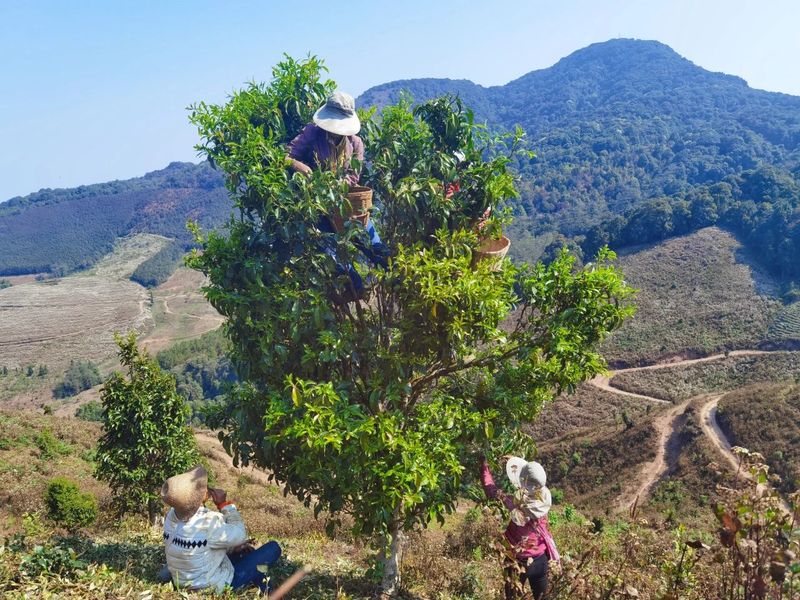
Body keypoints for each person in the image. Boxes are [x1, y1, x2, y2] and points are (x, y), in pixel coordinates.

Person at [287, 91, 389, 296]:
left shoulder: (356, 143)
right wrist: (302, 168)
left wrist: (336, 185)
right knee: (339, 261)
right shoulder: (312, 133)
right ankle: (356, 289)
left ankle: (392, 279)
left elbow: (353, 177)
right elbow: (288, 156)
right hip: (321, 210)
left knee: (377, 248)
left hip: (348, 208)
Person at [160, 466, 281, 593]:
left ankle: (269, 591)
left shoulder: (171, 516)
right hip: (213, 587)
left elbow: (205, 543)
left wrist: (233, 549)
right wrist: (224, 505)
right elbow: (240, 533)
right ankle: (270, 591)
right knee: (273, 548)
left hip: (183, 581)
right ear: (200, 497)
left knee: (245, 553)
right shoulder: (208, 522)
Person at [479, 455, 560, 600]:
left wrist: (484, 466)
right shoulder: (543, 503)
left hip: (516, 561)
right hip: (540, 560)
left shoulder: (513, 503)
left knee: (512, 597)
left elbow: (491, 490)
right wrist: (516, 461)